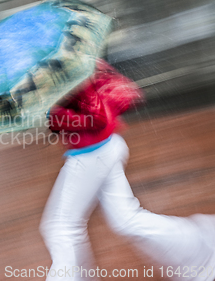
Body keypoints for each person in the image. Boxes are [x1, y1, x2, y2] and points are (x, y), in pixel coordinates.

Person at [40, 59, 215, 281]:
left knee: (60, 228)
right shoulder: (67, 59)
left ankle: (201, 244)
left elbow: (97, 117)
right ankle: (202, 243)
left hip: (92, 153)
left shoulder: (66, 66)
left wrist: (55, 115)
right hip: (102, 147)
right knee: (125, 220)